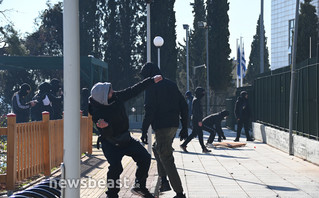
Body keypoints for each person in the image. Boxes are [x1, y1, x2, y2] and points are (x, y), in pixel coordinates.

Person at [88, 74, 162, 198]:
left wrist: (151, 81)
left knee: (145, 157)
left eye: (110, 89)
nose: (112, 91)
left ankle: (139, 186)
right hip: (110, 142)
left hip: (125, 138)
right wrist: (105, 126)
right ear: (103, 97)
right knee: (116, 168)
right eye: (109, 91)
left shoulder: (116, 97)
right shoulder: (97, 112)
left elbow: (133, 90)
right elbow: (107, 134)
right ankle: (111, 195)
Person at [140, 62, 188, 198]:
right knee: (157, 148)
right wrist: (184, 126)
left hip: (162, 127)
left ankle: (179, 193)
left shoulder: (151, 86)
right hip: (173, 125)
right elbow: (183, 106)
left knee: (166, 157)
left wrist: (144, 130)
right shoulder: (171, 84)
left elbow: (149, 110)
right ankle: (164, 181)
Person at [180, 87, 211, 153]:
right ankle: (203, 148)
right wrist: (199, 121)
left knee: (194, 134)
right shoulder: (196, 100)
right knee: (199, 134)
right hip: (196, 120)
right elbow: (196, 112)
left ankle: (184, 145)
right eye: (202, 92)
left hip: (196, 120)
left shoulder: (196, 100)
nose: (203, 94)